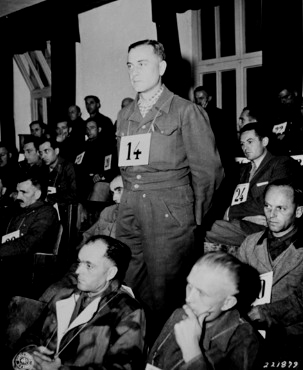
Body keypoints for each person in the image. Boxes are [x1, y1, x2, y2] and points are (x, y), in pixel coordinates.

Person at [116, 39, 224, 335]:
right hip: (130, 209)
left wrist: (192, 217)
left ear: (161, 67)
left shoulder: (185, 111)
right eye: (129, 65)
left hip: (169, 213)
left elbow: (209, 173)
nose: (134, 71)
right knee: (130, 287)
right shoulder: (125, 115)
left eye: (142, 64)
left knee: (167, 294)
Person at [13, 235, 146, 370]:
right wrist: (30, 353)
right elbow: (31, 335)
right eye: (79, 262)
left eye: (89, 265)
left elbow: (123, 368)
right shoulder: (64, 294)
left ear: (110, 273)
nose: (77, 271)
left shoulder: (128, 311)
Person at [147, 251, 263, 370]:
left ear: (227, 303)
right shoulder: (179, 315)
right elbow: (153, 362)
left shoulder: (244, 339)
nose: (189, 298)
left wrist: (192, 353)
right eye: (189, 286)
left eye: (202, 293)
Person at [205, 122, 302, 251]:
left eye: (250, 141)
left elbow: (270, 202)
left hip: (265, 228)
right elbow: (226, 199)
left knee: (204, 229)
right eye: (242, 144)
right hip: (240, 224)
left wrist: (231, 211)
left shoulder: (281, 163)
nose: (245, 147)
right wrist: (244, 215)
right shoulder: (242, 171)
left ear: (265, 141)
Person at [237, 179, 303, 361]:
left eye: (281, 208)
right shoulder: (250, 243)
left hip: (292, 334)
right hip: (248, 330)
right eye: (267, 206)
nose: (271, 215)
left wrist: (267, 313)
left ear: (298, 211)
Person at [0, 174, 59, 300]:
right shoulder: (18, 209)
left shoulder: (47, 212)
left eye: (24, 192)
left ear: (37, 194)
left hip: (27, 271)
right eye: (17, 191)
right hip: (9, 265)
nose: (18, 196)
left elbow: (29, 243)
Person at [75, 119, 118, 202]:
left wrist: (101, 175)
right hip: (84, 183)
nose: (89, 131)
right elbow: (77, 167)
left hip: (102, 182)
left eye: (92, 128)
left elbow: (111, 169)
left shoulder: (107, 146)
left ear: (99, 129)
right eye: (87, 128)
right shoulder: (82, 148)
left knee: (99, 188)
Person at [80, 175, 123, 244]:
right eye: (113, 193)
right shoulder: (107, 211)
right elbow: (88, 235)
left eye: (119, 190)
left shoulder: (140, 216)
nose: (114, 198)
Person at [270, 85, 303, 156]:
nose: (283, 101)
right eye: (280, 98)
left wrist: (288, 136)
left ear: (295, 93)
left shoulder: (301, 111)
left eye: (286, 97)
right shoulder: (280, 114)